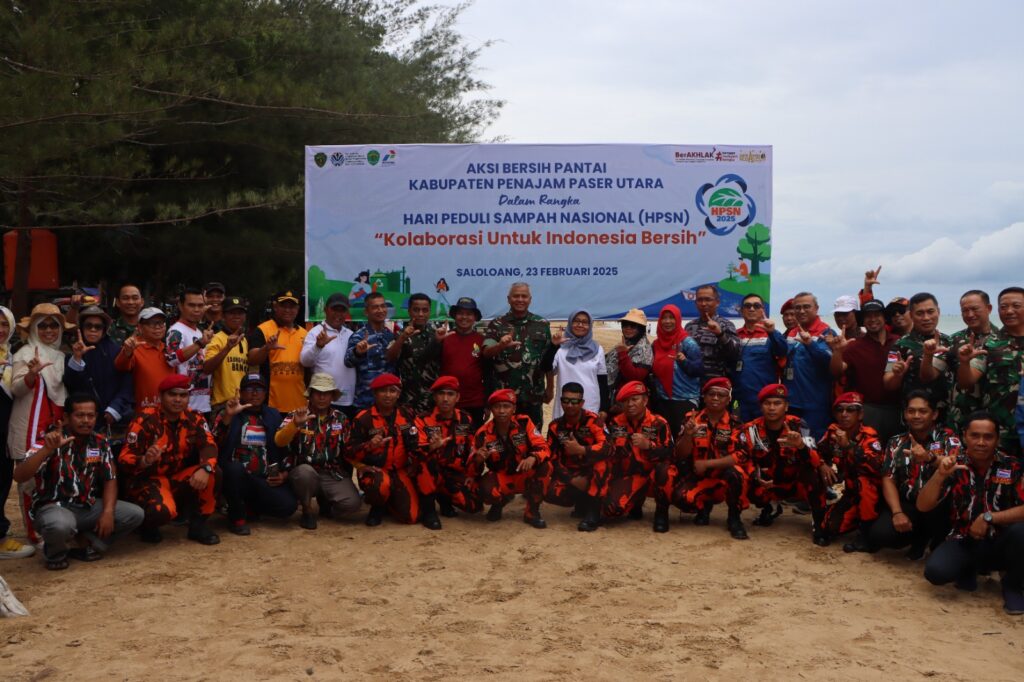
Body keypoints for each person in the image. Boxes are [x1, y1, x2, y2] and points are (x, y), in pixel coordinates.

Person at [13, 395, 144, 570]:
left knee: (134, 514)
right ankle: (55, 554)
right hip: (53, 507)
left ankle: (86, 544)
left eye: (90, 416)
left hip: (86, 506)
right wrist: (47, 449)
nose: (86, 421)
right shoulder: (51, 439)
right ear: (66, 417)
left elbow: (110, 479)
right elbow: (19, 476)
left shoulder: (100, 442)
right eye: (80, 415)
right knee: (59, 526)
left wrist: (107, 512)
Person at [918, 412, 1024, 615]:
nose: (981, 442)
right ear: (964, 436)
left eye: (988, 437)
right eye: (975, 436)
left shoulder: (1013, 466)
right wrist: (939, 476)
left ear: (997, 439)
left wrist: (989, 517)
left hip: (1003, 542)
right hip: (963, 539)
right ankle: (969, 569)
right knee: (936, 572)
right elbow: (923, 506)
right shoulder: (953, 464)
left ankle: (1011, 584)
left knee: (1021, 532)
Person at [118, 374, 220, 545]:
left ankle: (198, 526)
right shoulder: (144, 419)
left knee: (213, 473)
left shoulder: (195, 418)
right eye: (172, 394)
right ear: (161, 397)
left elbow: (209, 445)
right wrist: (145, 459)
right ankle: (148, 526)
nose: (178, 400)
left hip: (175, 477)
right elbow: (124, 459)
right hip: (148, 480)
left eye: (183, 395)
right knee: (162, 512)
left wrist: (206, 468)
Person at [9, 303, 75, 545]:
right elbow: (16, 389)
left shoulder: (61, 356)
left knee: (53, 477)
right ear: (34, 329)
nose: (49, 330)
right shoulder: (25, 354)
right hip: (29, 426)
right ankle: (33, 534)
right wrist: (31, 375)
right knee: (29, 481)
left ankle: (53, 526)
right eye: (43, 325)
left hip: (54, 424)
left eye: (54, 326)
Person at [735, 384, 833, 545]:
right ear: (761, 407)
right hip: (767, 483)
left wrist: (800, 445)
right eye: (767, 404)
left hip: (794, 482)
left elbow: (815, 459)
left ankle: (819, 521)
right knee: (741, 476)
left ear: (786, 406)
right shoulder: (751, 429)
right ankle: (770, 508)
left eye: (777, 403)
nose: (772, 408)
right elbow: (742, 458)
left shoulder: (799, 425)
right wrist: (755, 475)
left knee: (815, 472)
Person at [867, 390, 959, 559]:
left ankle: (931, 539)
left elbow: (953, 464)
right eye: (911, 411)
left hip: (939, 508)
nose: (916, 416)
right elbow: (888, 478)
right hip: (908, 503)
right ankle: (917, 536)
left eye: (923, 411)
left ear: (934, 414)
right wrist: (897, 513)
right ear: (905, 414)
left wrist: (929, 457)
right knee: (880, 535)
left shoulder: (948, 438)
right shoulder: (896, 441)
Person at [659, 377, 749, 539]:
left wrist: (708, 463)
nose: (715, 398)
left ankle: (734, 518)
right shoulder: (691, 419)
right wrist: (687, 436)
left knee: (738, 472)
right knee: (681, 499)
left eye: (720, 395)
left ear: (728, 399)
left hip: (722, 480)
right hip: (697, 478)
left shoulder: (735, 424)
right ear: (704, 397)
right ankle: (703, 507)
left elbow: (740, 456)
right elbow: (679, 455)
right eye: (711, 394)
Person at [276, 373, 362, 529]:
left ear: (332, 396)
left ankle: (326, 502)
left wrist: (363, 466)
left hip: (331, 472)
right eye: (318, 393)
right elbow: (279, 441)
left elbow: (349, 449)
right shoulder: (297, 414)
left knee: (352, 504)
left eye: (326, 393)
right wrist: (295, 424)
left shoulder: (341, 419)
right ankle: (307, 510)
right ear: (311, 395)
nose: (322, 397)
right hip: (304, 471)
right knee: (304, 474)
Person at [214, 374, 297, 535]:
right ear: (241, 392)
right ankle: (236, 517)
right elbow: (215, 441)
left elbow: (284, 447)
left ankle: (250, 507)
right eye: (249, 389)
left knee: (288, 506)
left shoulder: (273, 414)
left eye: (259, 389)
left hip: (263, 478)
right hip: (234, 477)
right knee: (234, 470)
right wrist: (228, 416)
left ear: (265, 393)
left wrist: (284, 474)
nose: (254, 393)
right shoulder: (228, 412)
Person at [347, 373, 431, 527]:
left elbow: (418, 440)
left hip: (401, 470)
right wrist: (369, 446)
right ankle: (377, 507)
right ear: (374, 394)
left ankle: (391, 501)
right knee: (380, 485)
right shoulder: (363, 418)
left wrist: (420, 457)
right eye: (382, 391)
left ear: (398, 394)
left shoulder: (408, 414)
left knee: (411, 518)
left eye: (392, 391)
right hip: (376, 471)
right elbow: (348, 451)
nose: (387, 395)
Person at [957, 287, 1024, 457]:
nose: (1009, 311)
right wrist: (964, 363)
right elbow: (967, 381)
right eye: (1004, 307)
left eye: (1016, 306)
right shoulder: (989, 344)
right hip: (1001, 432)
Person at [471, 388, 552, 528]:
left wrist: (533, 457)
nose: (502, 411)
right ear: (492, 409)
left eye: (506, 406)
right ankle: (499, 503)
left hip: (524, 472)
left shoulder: (524, 423)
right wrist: (478, 459)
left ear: (514, 409)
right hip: (502, 476)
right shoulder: (482, 434)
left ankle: (532, 512)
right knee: (483, 489)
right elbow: (472, 467)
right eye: (497, 407)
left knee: (545, 466)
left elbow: (543, 447)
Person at [817, 392, 885, 551]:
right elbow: (817, 451)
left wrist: (849, 446)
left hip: (873, 493)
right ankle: (853, 519)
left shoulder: (870, 436)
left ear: (860, 414)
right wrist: (822, 464)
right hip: (849, 492)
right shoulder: (832, 432)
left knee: (864, 482)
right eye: (840, 410)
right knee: (829, 527)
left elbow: (876, 467)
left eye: (850, 410)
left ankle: (867, 535)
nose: (844, 414)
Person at [828, 299, 902, 443]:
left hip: (898, 408)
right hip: (869, 409)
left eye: (877, 315)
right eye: (868, 316)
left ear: (884, 317)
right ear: (862, 320)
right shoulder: (855, 347)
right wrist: (837, 352)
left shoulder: (899, 342)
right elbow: (836, 371)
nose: (873, 320)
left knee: (895, 454)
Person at [602, 381, 673, 528]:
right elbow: (608, 452)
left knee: (666, 470)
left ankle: (661, 512)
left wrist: (649, 446)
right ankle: (635, 503)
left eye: (635, 399)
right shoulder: (615, 423)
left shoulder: (659, 423)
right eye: (626, 401)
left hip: (653, 476)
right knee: (610, 511)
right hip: (629, 475)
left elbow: (670, 453)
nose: (630, 404)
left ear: (645, 400)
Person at [481, 282, 552, 427]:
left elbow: (548, 359)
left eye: (524, 296)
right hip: (504, 398)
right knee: (504, 438)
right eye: (516, 296)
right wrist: (500, 346)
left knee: (533, 438)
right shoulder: (496, 324)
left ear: (530, 299)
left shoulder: (542, 324)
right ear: (508, 299)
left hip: (533, 396)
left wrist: (550, 388)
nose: (520, 299)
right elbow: (485, 353)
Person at [544, 382, 610, 532]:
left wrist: (582, 450)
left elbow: (608, 447)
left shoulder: (594, 421)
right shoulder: (555, 426)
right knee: (548, 491)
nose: (570, 405)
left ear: (582, 403)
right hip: (572, 473)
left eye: (575, 401)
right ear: (561, 402)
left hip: (592, 471)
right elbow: (552, 457)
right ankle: (581, 502)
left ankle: (593, 513)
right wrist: (572, 479)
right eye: (566, 401)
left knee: (602, 464)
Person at [416, 376, 482, 525]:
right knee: (425, 461)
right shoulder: (423, 420)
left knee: (474, 505)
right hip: (431, 472)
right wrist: (431, 447)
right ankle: (429, 511)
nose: (445, 399)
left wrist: (472, 472)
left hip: (453, 473)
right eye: (441, 394)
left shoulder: (466, 420)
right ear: (434, 397)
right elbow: (415, 451)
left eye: (450, 394)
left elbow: (472, 450)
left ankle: (444, 498)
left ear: (457, 397)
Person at [64, 306, 134, 444]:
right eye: (88, 326)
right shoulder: (72, 354)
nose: (93, 330)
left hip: (113, 422)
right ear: (81, 328)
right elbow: (71, 386)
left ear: (104, 330)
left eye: (98, 327)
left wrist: (114, 409)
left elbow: (127, 385)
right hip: (83, 422)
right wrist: (77, 358)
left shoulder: (117, 351)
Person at [884, 292, 954, 424]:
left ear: (938, 312)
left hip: (946, 415)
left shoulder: (949, 342)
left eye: (930, 312)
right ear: (911, 315)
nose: (926, 317)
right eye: (920, 313)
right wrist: (897, 374)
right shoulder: (900, 345)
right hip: (913, 417)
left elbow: (931, 376)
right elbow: (888, 384)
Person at [783, 292, 836, 440]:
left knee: (814, 446)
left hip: (815, 403)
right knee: (792, 446)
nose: (801, 311)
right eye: (797, 308)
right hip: (792, 402)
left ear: (816, 308)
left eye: (806, 307)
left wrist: (811, 344)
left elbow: (829, 363)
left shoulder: (827, 332)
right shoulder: (792, 332)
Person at [0, 304, 30, 559]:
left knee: (2, 481)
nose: (0, 330)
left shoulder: (12, 357)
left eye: (4, 324)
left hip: (5, 432)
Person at [247, 290, 308, 413]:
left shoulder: (305, 333)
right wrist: (266, 348)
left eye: (292, 307)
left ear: (298, 308)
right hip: (271, 404)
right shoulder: (263, 329)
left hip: (300, 405)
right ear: (275, 306)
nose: (287, 310)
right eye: (283, 306)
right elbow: (252, 360)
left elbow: (309, 369)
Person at [945, 290, 998, 429]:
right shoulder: (953, 339)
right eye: (965, 310)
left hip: (989, 421)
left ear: (989, 308)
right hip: (956, 417)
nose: (970, 314)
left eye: (975, 309)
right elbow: (931, 373)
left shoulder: (1002, 341)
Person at [543, 309, 608, 421]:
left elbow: (602, 382)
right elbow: (545, 368)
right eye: (576, 321)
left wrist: (604, 409)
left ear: (590, 325)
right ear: (570, 323)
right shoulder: (560, 348)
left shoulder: (598, 349)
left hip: (590, 404)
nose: (580, 325)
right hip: (566, 404)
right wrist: (553, 346)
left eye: (585, 322)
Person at [299, 293, 357, 419]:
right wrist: (318, 346)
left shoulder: (351, 334)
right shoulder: (315, 333)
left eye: (342, 310)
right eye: (334, 309)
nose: (338, 314)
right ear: (325, 310)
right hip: (325, 401)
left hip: (349, 400)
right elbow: (305, 361)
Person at [650, 304, 703, 437]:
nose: (667, 321)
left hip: (684, 400)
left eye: (671, 318)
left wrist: (684, 361)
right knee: (664, 441)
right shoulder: (656, 345)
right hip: (662, 401)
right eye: (664, 318)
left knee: (682, 441)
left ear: (678, 320)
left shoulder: (687, 343)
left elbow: (699, 370)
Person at [734, 294, 786, 422]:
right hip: (739, 399)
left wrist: (772, 332)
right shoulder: (735, 335)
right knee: (740, 436)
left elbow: (783, 351)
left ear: (762, 310)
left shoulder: (771, 334)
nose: (751, 309)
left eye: (756, 306)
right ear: (741, 311)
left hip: (765, 401)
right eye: (747, 306)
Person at [387, 293, 442, 414]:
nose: (421, 314)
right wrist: (402, 338)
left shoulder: (437, 334)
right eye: (416, 310)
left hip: (433, 399)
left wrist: (438, 340)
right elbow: (390, 357)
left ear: (429, 311)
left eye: (425, 310)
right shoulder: (400, 334)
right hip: (408, 399)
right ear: (409, 311)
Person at [344, 291, 397, 412]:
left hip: (388, 404)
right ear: (366, 312)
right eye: (375, 307)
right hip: (366, 402)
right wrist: (358, 352)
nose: (380, 310)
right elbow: (348, 362)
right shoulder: (359, 336)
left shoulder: (390, 335)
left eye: (383, 306)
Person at [166, 287, 215, 416]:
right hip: (184, 406)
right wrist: (200, 343)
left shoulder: (198, 332)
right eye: (191, 305)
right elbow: (172, 359)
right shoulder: (176, 331)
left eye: (200, 305)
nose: (197, 310)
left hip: (203, 403)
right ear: (181, 306)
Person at [114, 307, 174, 410]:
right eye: (152, 323)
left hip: (170, 411)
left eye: (161, 323)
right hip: (145, 414)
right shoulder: (133, 347)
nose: (158, 327)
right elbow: (120, 366)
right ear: (140, 327)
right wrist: (127, 352)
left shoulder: (169, 349)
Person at [440, 297, 487, 426]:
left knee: (474, 441)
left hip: (475, 402)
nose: (464, 317)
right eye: (460, 313)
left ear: (475, 317)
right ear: (455, 316)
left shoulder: (482, 340)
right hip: (448, 402)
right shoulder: (445, 338)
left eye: (469, 314)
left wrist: (487, 403)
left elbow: (488, 372)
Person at [202, 296, 249, 416]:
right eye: (232, 313)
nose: (236, 316)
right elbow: (206, 368)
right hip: (222, 404)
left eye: (240, 313)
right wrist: (227, 348)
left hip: (242, 403)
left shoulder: (244, 341)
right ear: (223, 316)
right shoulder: (216, 338)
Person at [685, 284, 740, 384]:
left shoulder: (726, 325)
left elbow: (735, 353)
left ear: (717, 302)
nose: (703, 303)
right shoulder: (689, 326)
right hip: (692, 387)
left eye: (708, 299)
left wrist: (720, 334)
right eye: (700, 300)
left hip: (716, 388)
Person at [605, 308, 652, 400]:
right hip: (617, 394)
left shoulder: (644, 349)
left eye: (633, 325)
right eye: (625, 325)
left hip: (631, 398)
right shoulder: (626, 343)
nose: (628, 328)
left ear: (640, 328)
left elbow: (635, 376)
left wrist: (622, 354)